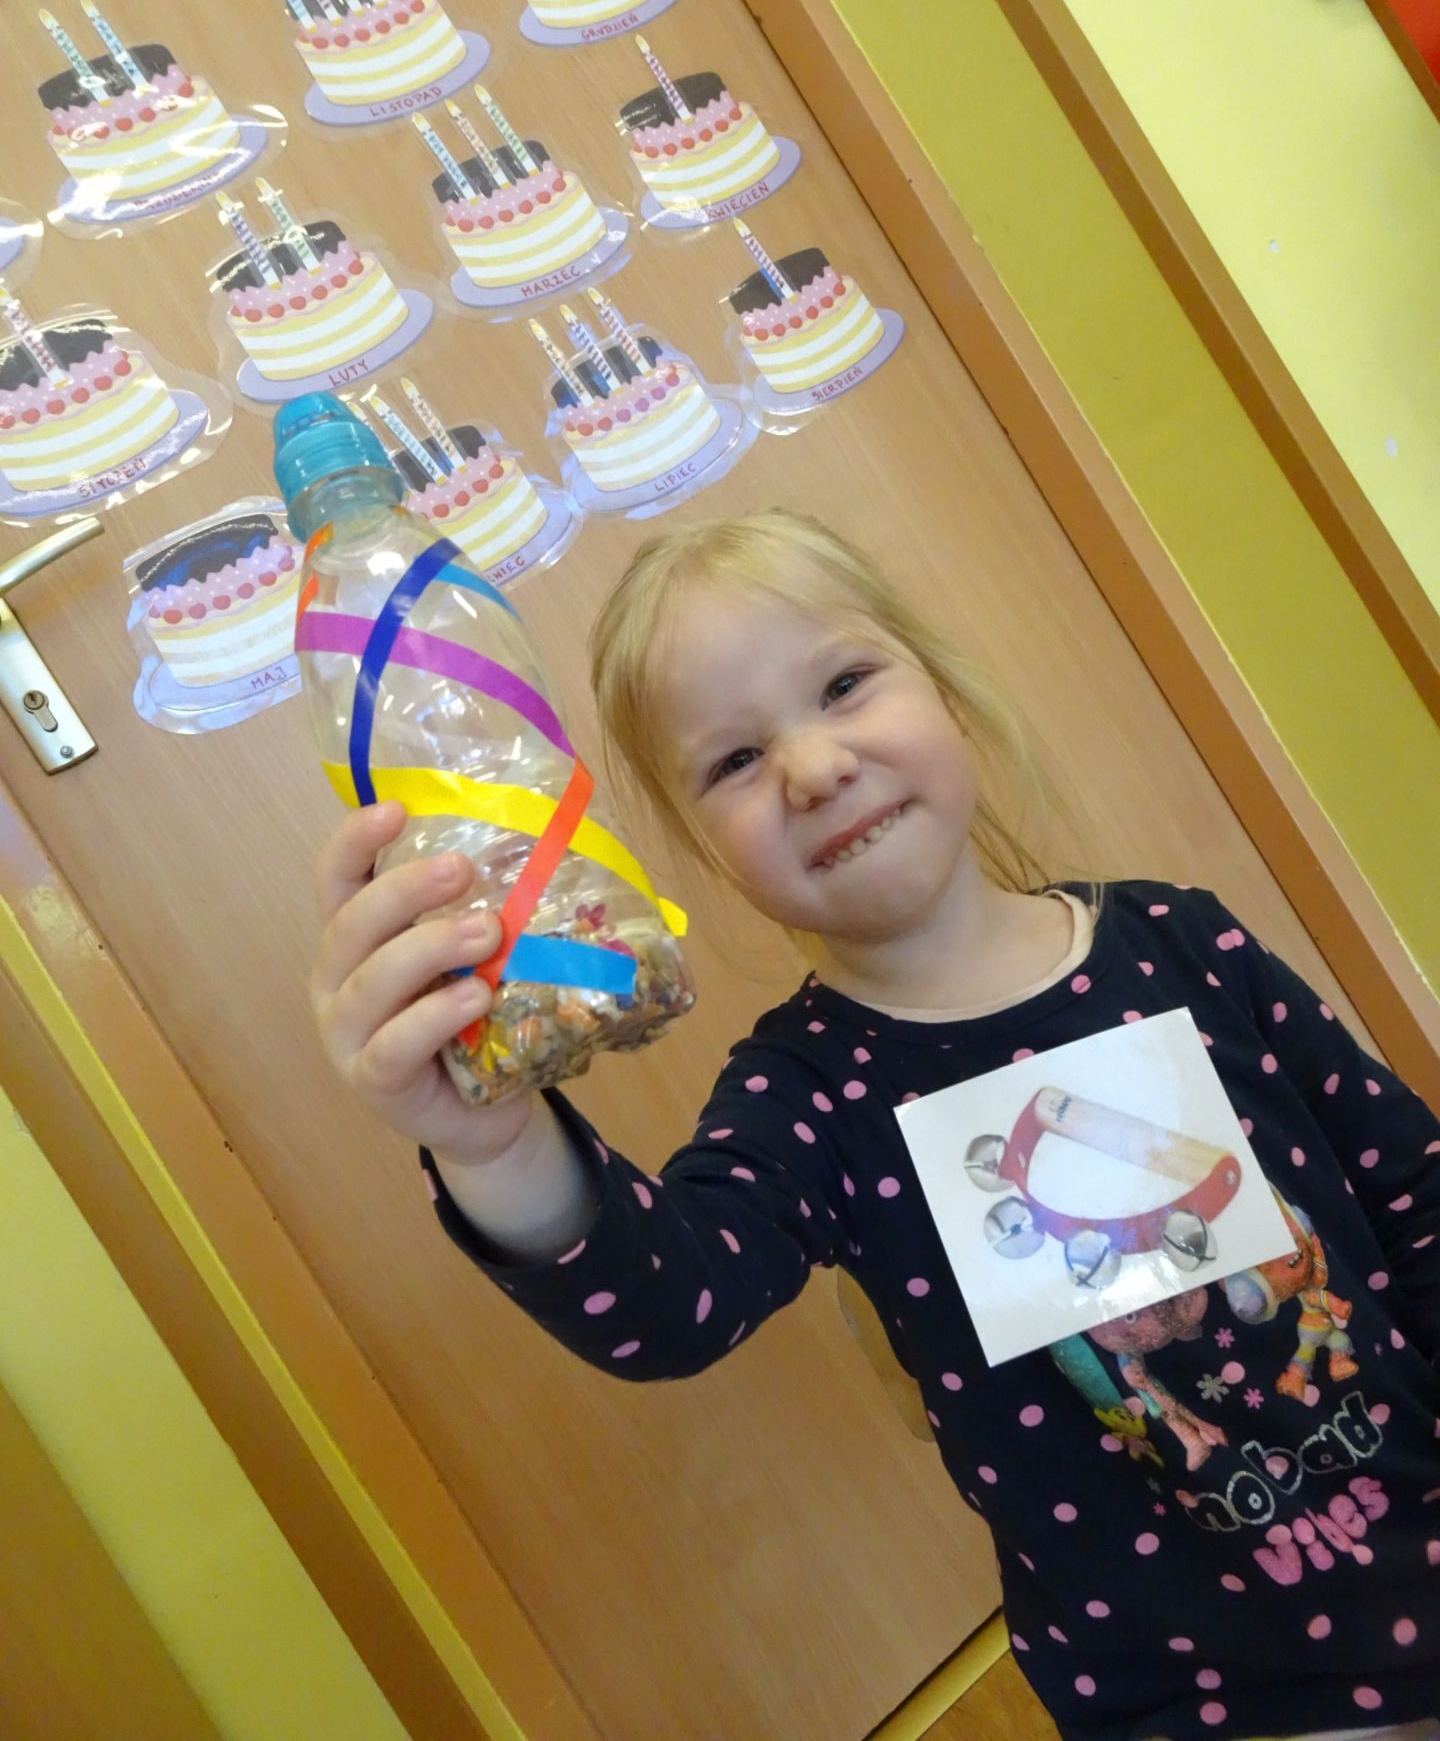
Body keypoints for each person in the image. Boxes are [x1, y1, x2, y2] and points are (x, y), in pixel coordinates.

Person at [311, 509, 1439, 1741]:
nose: (812, 768)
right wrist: (492, 1142)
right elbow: (670, 1303)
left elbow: (1413, 1195)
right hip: (1194, 1701)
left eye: (844, 684)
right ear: (702, 848)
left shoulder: (1184, 939)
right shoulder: (809, 1093)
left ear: (942, 687)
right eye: (734, 762)